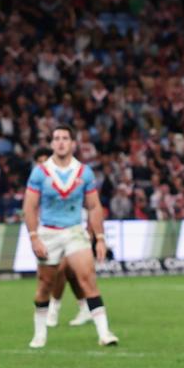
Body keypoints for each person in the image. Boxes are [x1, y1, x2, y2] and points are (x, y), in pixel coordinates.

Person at [23, 125, 117, 348]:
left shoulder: (84, 172)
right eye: (56, 138)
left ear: (73, 143)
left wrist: (100, 238)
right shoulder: (40, 172)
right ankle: (40, 333)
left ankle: (104, 333)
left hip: (75, 231)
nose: (61, 142)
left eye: (65, 138)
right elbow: (29, 206)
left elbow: (94, 207)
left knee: (87, 278)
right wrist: (34, 236)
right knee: (45, 285)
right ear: (52, 143)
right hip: (48, 233)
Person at [31, 147, 93, 330]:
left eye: (45, 160)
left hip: (70, 228)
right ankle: (84, 306)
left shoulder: (65, 176)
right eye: (40, 161)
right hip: (46, 231)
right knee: (67, 274)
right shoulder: (37, 181)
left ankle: (53, 309)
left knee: (62, 268)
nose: (43, 164)